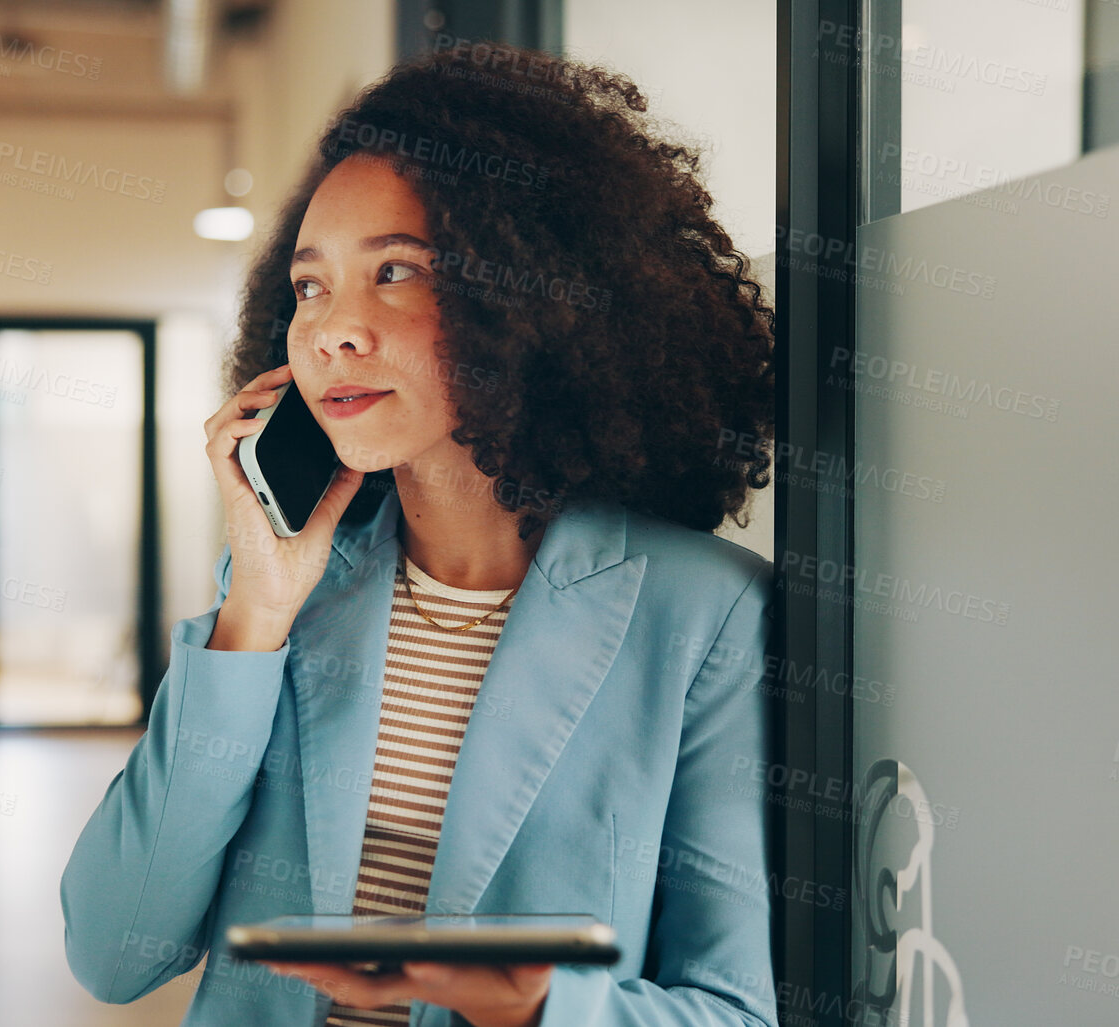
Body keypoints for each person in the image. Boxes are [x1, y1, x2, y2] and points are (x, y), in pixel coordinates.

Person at [62, 38, 778, 1027]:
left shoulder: (704, 615)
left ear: (531, 296)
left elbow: (737, 1010)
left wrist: (536, 1005)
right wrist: (255, 613)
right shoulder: (284, 589)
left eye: (395, 271)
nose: (332, 331)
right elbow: (113, 950)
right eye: (311, 286)